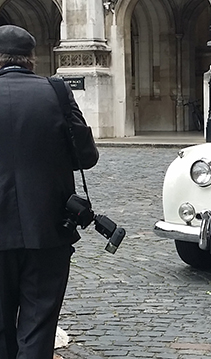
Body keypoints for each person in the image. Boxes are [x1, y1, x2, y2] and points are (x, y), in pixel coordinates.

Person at [0, 25, 99, 358]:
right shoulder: (56, 93)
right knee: (38, 327)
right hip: (48, 231)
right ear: (32, 59)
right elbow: (86, 156)